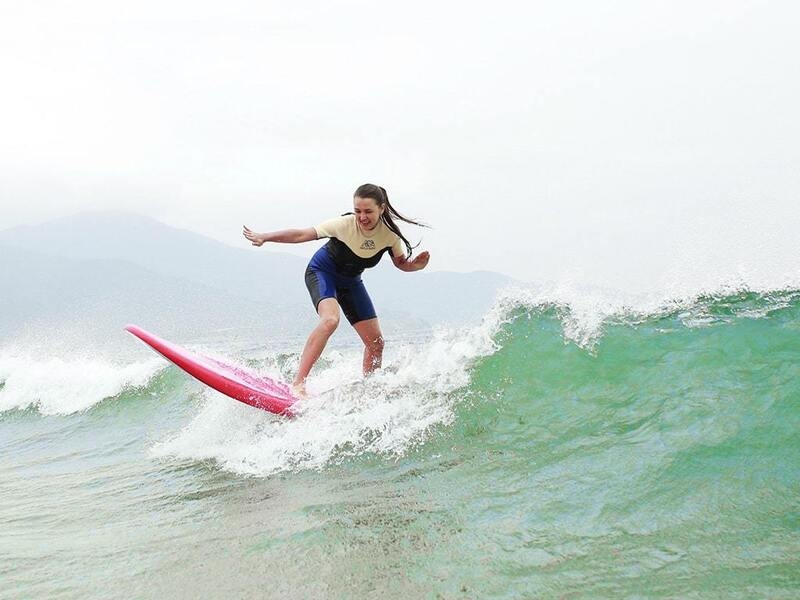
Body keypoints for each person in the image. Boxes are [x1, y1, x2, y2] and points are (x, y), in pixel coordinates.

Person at [243, 183, 430, 398]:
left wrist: (416, 266)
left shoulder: (389, 235)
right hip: (322, 272)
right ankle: (298, 384)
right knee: (330, 320)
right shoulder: (344, 224)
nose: (362, 217)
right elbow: (301, 234)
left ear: (382, 208)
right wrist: (265, 237)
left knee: (376, 344)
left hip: (350, 282)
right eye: (358, 210)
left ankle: (370, 392)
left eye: (368, 211)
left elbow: (401, 263)